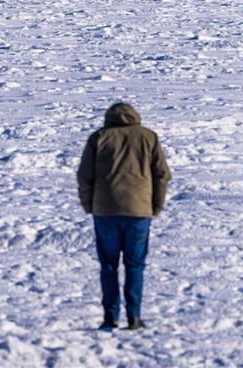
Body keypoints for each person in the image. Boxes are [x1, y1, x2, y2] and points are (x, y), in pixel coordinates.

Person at [77, 102, 171, 331]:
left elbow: (84, 176)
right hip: (139, 211)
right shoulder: (148, 137)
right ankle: (134, 316)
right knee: (135, 264)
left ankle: (110, 317)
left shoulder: (98, 137)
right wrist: (155, 205)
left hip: (105, 211)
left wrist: (89, 205)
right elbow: (162, 175)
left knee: (108, 265)